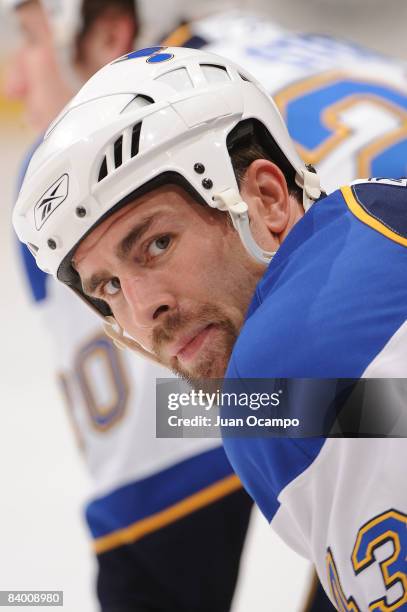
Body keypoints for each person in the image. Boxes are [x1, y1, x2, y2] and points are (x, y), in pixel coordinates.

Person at [13, 43, 407, 611]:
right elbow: (376, 412)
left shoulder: (276, 372)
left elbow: (155, 566)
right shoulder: (369, 210)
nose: (143, 309)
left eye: (157, 244)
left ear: (267, 199)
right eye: (108, 288)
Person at [3, 3, 254, 612]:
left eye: (32, 41)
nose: (14, 78)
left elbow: (157, 469)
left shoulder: (92, 172)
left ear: (112, 31)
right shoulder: (255, 62)